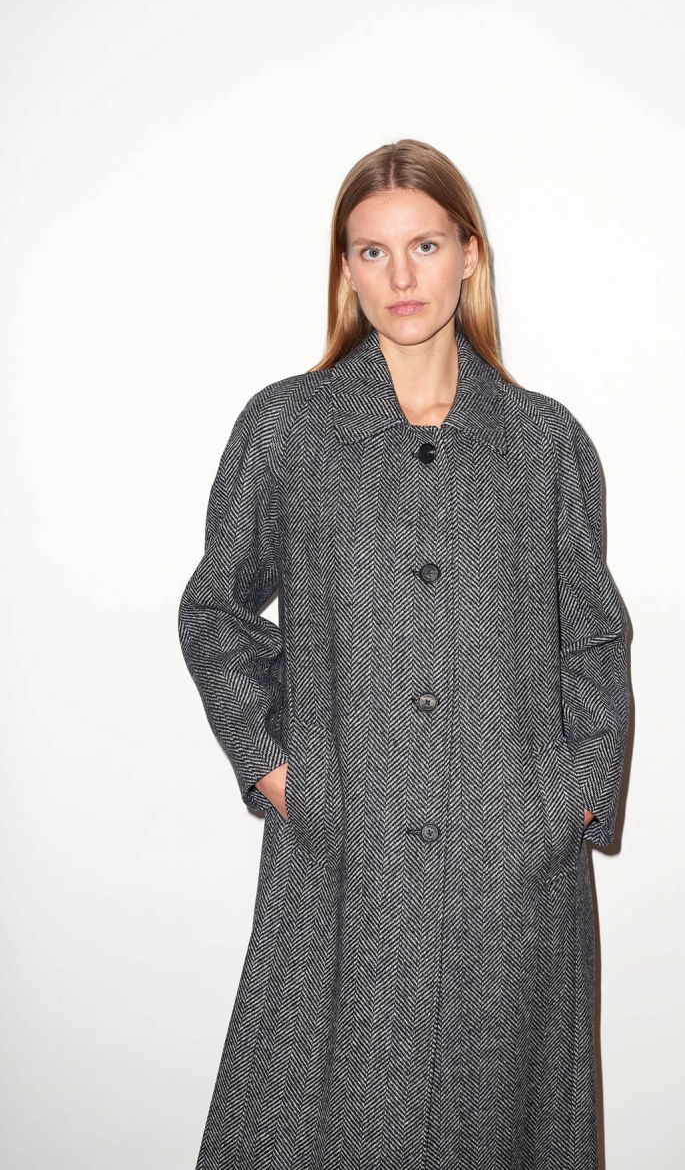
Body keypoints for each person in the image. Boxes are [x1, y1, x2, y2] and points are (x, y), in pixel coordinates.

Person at [178, 137, 630, 1170]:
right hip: (346, 860)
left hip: (510, 879)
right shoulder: (288, 430)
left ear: (469, 253)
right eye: (372, 252)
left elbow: (593, 640)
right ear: (345, 269)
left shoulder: (542, 442)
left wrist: (563, 803)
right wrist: (281, 772)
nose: (400, 276)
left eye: (423, 245)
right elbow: (216, 610)